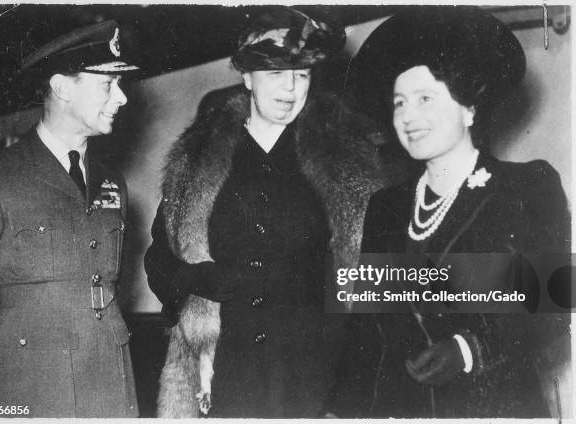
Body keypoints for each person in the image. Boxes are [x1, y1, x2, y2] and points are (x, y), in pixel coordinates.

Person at [144, 7, 399, 418]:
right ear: (246, 77)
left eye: (302, 75)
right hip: (223, 371)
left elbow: (371, 279)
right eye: (277, 74)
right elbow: (159, 257)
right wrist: (190, 277)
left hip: (313, 373)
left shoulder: (345, 161)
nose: (291, 89)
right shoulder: (198, 158)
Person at [324, 6, 571, 418]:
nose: (408, 117)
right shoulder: (385, 207)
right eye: (399, 103)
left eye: (425, 98)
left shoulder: (524, 187)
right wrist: (341, 410)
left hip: (493, 404)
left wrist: (468, 348)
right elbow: (366, 328)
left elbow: (550, 308)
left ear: (469, 109)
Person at [0, 20, 140, 418]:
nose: (122, 98)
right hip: (32, 386)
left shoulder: (114, 182)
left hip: (110, 382)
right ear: (62, 87)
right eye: (107, 84)